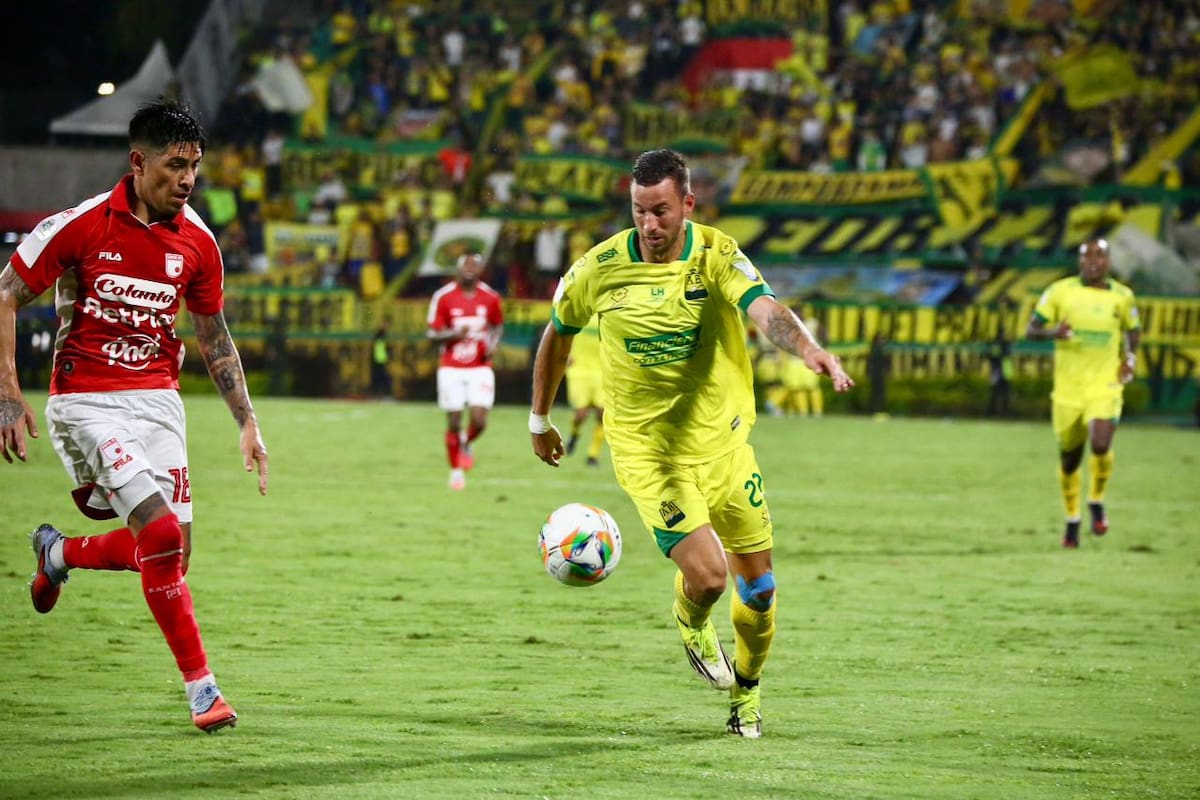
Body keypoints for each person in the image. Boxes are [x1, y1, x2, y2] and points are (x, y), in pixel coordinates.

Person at [529, 149, 853, 738]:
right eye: (638, 212)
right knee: (709, 578)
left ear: (687, 204)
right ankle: (691, 616)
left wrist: (809, 351)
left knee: (760, 589)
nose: (649, 225)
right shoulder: (598, 269)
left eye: (660, 211)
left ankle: (746, 699)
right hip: (651, 454)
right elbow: (558, 332)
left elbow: (766, 309)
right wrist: (538, 419)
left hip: (725, 448)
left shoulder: (717, 254)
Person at [0, 98, 269, 732]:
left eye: (195, 167)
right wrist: (9, 396)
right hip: (86, 402)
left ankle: (60, 555)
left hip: (158, 402)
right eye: (176, 165)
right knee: (161, 535)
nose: (187, 180)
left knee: (175, 555)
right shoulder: (83, 224)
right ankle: (203, 691)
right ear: (137, 161)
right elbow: (5, 296)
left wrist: (246, 419)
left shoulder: (198, 242)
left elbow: (214, 336)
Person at [1026, 238, 1139, 548]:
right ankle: (1072, 520)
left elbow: (1133, 329)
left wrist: (1129, 359)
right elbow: (1031, 329)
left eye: (1100, 256)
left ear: (1108, 261)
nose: (1093, 261)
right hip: (1068, 391)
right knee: (1069, 461)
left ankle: (1096, 500)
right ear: (1079, 262)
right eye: (1087, 256)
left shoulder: (1123, 297)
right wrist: (1054, 333)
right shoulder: (1060, 292)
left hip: (1104, 384)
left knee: (1101, 444)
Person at [426, 252, 504, 490]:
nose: (470, 268)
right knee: (455, 419)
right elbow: (431, 334)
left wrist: (493, 344)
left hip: (480, 366)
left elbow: (497, 325)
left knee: (479, 420)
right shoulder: (443, 297)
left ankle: (465, 441)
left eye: (475, 265)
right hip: (451, 367)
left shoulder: (490, 297)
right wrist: (452, 334)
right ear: (457, 269)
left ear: (481, 270)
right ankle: (456, 471)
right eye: (466, 264)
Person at [563, 312, 605, 466]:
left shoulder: (610, 312)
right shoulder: (579, 312)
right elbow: (562, 331)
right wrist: (565, 352)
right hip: (579, 370)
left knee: (603, 414)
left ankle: (593, 455)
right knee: (581, 415)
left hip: (602, 371)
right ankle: (574, 435)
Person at [985, 327, 1013, 417]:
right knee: (996, 393)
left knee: (1002, 393)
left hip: (1004, 371)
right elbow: (992, 357)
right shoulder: (999, 345)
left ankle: (1002, 412)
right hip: (998, 371)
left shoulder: (1006, 344)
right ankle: (993, 412)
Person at [370, 322, 393, 397]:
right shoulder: (380, 335)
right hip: (378, 360)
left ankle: (380, 394)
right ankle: (381, 394)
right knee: (381, 378)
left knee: (381, 378)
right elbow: (380, 349)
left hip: (380, 360)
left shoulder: (381, 336)